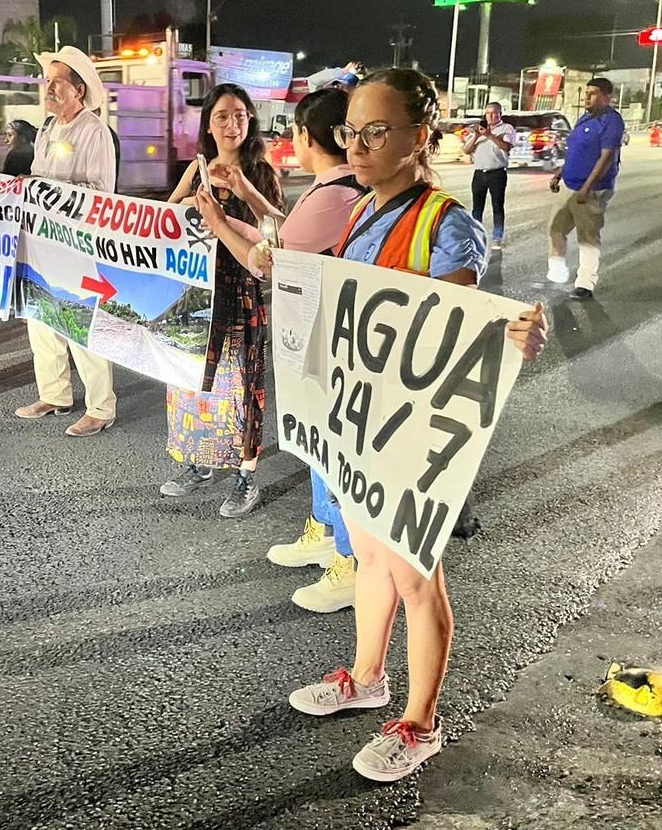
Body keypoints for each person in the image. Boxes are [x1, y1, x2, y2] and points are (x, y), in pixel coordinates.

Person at [285, 67, 547, 783]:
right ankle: (368, 677)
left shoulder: (444, 222)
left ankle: (420, 721)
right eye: (351, 132)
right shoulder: (362, 212)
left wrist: (509, 334)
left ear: (419, 134)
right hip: (358, 422)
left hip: (410, 432)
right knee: (370, 556)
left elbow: (455, 328)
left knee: (416, 578)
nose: (360, 145)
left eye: (377, 130)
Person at [194, 87, 363, 604]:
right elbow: (285, 230)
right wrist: (243, 198)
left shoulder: (334, 193)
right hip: (322, 329)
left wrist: (221, 222)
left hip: (331, 332)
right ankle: (323, 529)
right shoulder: (331, 187)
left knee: (334, 445)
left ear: (308, 137)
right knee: (317, 436)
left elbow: (267, 258)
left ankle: (349, 560)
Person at [162, 83, 284, 518]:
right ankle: (199, 464)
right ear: (208, 126)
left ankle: (246, 476)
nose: (233, 124)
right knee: (193, 381)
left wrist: (237, 198)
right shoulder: (196, 170)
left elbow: (278, 233)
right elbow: (165, 220)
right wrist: (184, 190)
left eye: (240, 115)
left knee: (240, 387)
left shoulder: (261, 172)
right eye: (222, 117)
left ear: (250, 120)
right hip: (196, 295)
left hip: (239, 295)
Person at [14, 45, 118, 438]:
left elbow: (100, 192)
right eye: (48, 80)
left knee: (81, 323)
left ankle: (100, 407)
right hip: (43, 243)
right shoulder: (48, 130)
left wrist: (48, 191)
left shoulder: (95, 132)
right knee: (41, 320)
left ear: (79, 90)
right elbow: (39, 175)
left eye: (59, 81)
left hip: (76, 245)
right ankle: (55, 394)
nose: (49, 87)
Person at [546, 78, 625, 301]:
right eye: (586, 93)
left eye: (592, 93)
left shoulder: (611, 121)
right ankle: (558, 270)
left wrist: (587, 187)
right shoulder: (585, 118)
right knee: (555, 227)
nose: (586, 97)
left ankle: (585, 283)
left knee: (587, 238)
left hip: (591, 190)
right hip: (569, 184)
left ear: (607, 96)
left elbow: (607, 156)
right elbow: (575, 152)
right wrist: (558, 174)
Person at [462, 102, 517, 249]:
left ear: (500, 114)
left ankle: (497, 237)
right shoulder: (480, 131)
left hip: (497, 173)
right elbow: (466, 150)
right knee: (476, 207)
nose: (490, 116)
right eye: (487, 113)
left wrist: (489, 135)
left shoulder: (506, 128)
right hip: (479, 173)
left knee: (497, 206)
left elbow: (506, 147)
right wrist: (476, 135)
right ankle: (475, 235)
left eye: (494, 113)